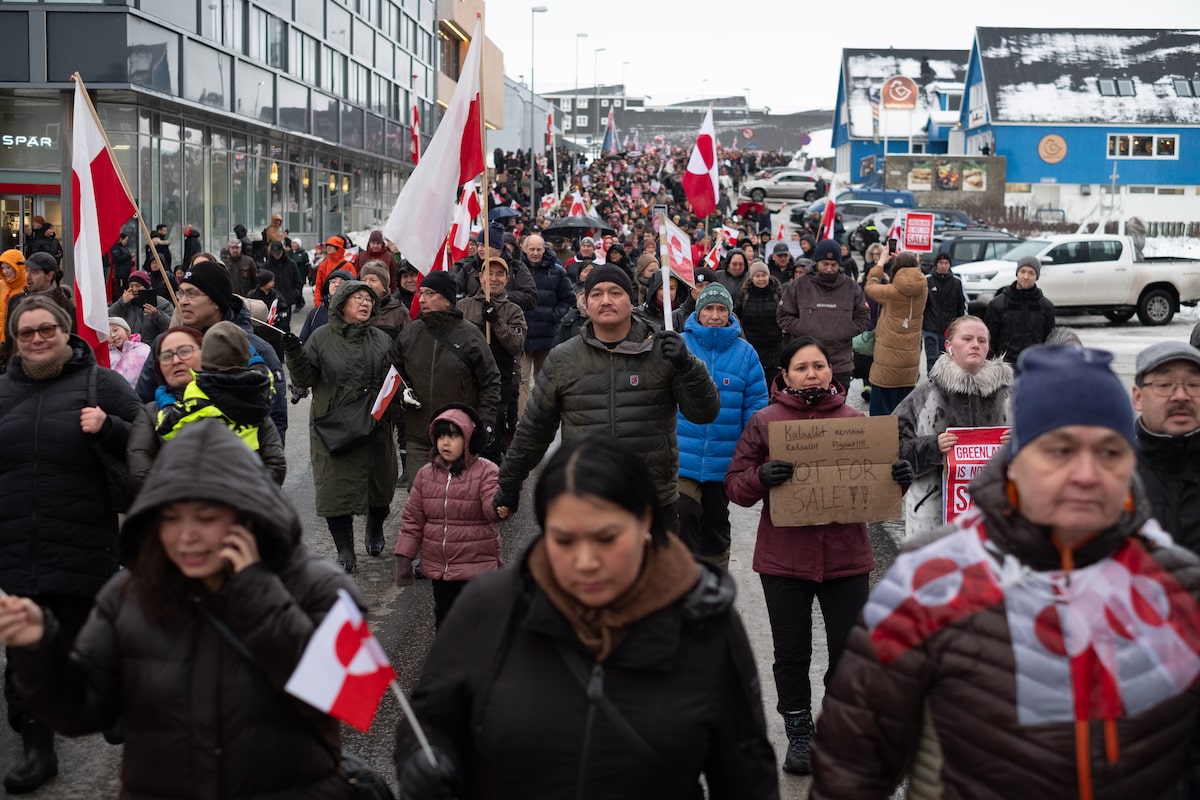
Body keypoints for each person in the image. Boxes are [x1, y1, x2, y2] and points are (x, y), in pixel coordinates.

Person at [811, 344, 1200, 799]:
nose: (1087, 474)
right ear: (1016, 460)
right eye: (1059, 450)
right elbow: (852, 769)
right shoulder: (929, 581)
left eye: (1110, 452)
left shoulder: (1177, 583)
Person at [394, 435, 779, 799]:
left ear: (645, 521)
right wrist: (425, 764)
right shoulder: (488, 606)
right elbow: (428, 722)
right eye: (564, 540)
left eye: (606, 538)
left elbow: (748, 778)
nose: (585, 562)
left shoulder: (706, 623)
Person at [0, 421, 362, 798]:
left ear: (247, 516)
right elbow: (80, 711)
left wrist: (258, 596)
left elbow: (353, 694)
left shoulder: (321, 586)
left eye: (206, 518)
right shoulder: (129, 594)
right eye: (171, 518)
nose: (186, 536)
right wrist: (39, 647)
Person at [725, 335, 912, 776]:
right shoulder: (765, 422)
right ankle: (799, 734)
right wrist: (760, 478)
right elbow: (735, 485)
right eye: (803, 367)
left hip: (846, 560)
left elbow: (876, 489)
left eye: (820, 366)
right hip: (783, 561)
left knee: (848, 652)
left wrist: (898, 479)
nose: (812, 373)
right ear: (785, 375)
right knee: (792, 654)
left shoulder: (855, 421)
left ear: (832, 372)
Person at [0, 296, 141, 792]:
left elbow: (149, 441)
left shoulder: (100, 383)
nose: (37, 340)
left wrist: (110, 427)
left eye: (46, 330)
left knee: (90, 641)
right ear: (14, 340)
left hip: (85, 543)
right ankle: (38, 749)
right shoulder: (1, 391)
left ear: (66, 332)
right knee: (24, 656)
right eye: (26, 333)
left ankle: (112, 705)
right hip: (15, 548)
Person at [496, 264, 720, 527]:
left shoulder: (662, 349)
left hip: (651, 502)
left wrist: (688, 366)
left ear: (631, 299)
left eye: (615, 293)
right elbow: (535, 429)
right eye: (597, 294)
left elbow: (705, 412)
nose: (606, 301)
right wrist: (509, 483)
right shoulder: (563, 358)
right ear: (586, 302)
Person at [284, 281, 398, 573]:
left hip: (374, 426)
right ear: (341, 304)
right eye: (357, 298)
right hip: (333, 427)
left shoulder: (381, 340)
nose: (365, 303)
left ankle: (375, 527)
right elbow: (305, 378)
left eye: (369, 299)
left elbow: (395, 379)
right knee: (336, 492)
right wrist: (294, 354)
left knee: (381, 487)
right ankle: (345, 550)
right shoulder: (321, 338)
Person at [133, 258, 288, 444]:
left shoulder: (256, 350)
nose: (183, 302)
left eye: (192, 294)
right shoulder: (164, 344)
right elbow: (141, 405)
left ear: (216, 301)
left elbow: (275, 420)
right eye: (181, 294)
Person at [894, 315, 1013, 540]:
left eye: (981, 340)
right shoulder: (924, 396)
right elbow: (888, 447)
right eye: (967, 338)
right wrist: (931, 447)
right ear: (949, 346)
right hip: (932, 521)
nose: (975, 344)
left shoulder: (1010, 397)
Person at [130, 322, 286, 490]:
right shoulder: (151, 412)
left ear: (206, 355)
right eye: (166, 356)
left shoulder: (242, 398)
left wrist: (243, 496)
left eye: (184, 351)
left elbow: (274, 462)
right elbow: (141, 467)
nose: (176, 361)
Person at [677, 283, 768, 567]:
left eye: (721, 309)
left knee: (715, 524)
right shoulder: (679, 345)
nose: (715, 315)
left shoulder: (746, 353)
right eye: (708, 308)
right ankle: (683, 580)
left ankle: (715, 583)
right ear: (698, 311)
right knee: (684, 515)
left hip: (724, 459)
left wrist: (751, 453)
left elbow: (755, 408)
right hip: (683, 457)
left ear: (729, 313)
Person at [394, 404, 502, 627]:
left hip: (477, 565)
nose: (445, 442)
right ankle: (447, 660)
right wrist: (405, 555)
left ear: (469, 439)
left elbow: (492, 509)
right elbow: (413, 519)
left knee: (476, 623)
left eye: (453, 436)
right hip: (442, 568)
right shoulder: (426, 475)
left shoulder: (486, 471)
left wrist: (502, 505)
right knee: (445, 620)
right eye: (441, 435)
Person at [389, 271, 501, 484]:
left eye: (429, 293)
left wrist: (485, 421)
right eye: (421, 293)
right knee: (421, 501)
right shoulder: (410, 333)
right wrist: (401, 392)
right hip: (418, 436)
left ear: (448, 300)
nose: (421, 299)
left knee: (453, 503)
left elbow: (491, 380)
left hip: (457, 436)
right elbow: (392, 370)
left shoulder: (470, 335)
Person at [1132, 340, 1200, 555]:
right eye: (1164, 384)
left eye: (1193, 384)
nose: (1181, 395)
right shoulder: (1117, 476)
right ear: (1138, 397)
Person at [777, 239, 872, 391]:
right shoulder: (799, 285)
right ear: (816, 263)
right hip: (807, 363)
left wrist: (846, 330)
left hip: (840, 363)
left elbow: (864, 316)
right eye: (825, 264)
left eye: (833, 265)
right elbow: (783, 316)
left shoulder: (850, 287)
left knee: (837, 410)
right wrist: (805, 328)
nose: (829, 269)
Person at [457, 257, 526, 458]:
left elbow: (516, 344)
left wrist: (496, 321)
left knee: (492, 443)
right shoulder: (463, 307)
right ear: (481, 277)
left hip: (500, 386)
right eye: (489, 273)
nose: (494, 279)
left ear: (506, 279)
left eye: (499, 274)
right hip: (467, 384)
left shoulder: (514, 311)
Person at [863, 249, 929, 416]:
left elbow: (870, 286)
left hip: (887, 366)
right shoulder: (923, 289)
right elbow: (914, 278)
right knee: (904, 416)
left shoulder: (892, 292)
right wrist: (908, 260)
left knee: (881, 418)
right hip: (910, 363)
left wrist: (880, 263)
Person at [519, 234, 573, 416]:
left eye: (538, 249)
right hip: (521, 337)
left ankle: (541, 418)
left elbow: (568, 299)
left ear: (544, 249)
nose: (535, 253)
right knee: (521, 380)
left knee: (544, 380)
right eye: (532, 249)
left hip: (547, 335)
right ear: (524, 249)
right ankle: (522, 419)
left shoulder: (557, 271)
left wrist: (553, 316)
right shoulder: (516, 270)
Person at [984, 255, 1055, 363]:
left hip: (1034, 365)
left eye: (1031, 273)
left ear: (1037, 276)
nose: (1026, 276)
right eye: (1022, 271)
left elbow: (1050, 341)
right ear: (1017, 273)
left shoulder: (1046, 306)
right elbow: (989, 338)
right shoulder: (998, 304)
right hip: (1004, 366)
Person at [737, 260, 784, 384]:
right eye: (757, 276)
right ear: (752, 278)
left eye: (764, 275)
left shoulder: (777, 293)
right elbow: (737, 316)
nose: (761, 279)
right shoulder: (744, 294)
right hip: (752, 344)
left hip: (774, 347)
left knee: (773, 382)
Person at [921, 251, 966, 374]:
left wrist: (959, 325)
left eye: (946, 263)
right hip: (930, 326)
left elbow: (961, 304)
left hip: (948, 328)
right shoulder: (927, 280)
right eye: (941, 263)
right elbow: (921, 303)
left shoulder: (956, 282)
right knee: (932, 357)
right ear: (936, 264)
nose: (943, 266)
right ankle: (932, 381)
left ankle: (944, 383)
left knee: (946, 358)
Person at [108, 269, 173, 341]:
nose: (134, 289)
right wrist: (121, 303)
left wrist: (156, 314)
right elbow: (110, 318)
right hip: (131, 347)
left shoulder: (163, 304)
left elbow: (171, 327)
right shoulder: (125, 303)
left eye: (138, 286)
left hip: (154, 347)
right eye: (131, 286)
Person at [299, 268, 353, 343]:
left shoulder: (355, 314)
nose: (337, 285)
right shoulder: (315, 313)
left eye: (341, 282)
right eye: (333, 282)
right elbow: (303, 341)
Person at [359, 260, 409, 339]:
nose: (367, 284)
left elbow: (407, 343)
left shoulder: (399, 311)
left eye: (373, 280)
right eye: (364, 280)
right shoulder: (356, 308)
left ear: (384, 285)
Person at [312, 235, 356, 307]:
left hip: (344, 302)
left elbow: (353, 286)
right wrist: (317, 302)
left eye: (331, 245)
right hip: (326, 301)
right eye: (327, 245)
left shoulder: (348, 266)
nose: (328, 247)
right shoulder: (323, 265)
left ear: (338, 247)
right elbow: (318, 285)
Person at [107, 317, 151, 386]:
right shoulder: (107, 356)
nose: (113, 335)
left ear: (126, 330)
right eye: (108, 334)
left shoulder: (143, 350)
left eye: (115, 330)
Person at [0, 250, 26, 347]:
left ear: (18, 267)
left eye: (8, 267)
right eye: (2, 268)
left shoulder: (28, 287)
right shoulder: (1, 285)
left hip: (16, 343)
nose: (5, 271)